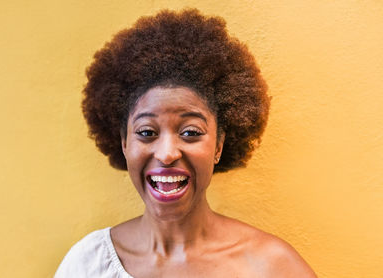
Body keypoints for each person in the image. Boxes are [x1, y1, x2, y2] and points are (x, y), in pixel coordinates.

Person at [55, 9, 316, 278]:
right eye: (146, 132)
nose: (167, 154)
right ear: (124, 143)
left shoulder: (272, 267)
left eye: (190, 133)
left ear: (218, 146)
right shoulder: (89, 264)